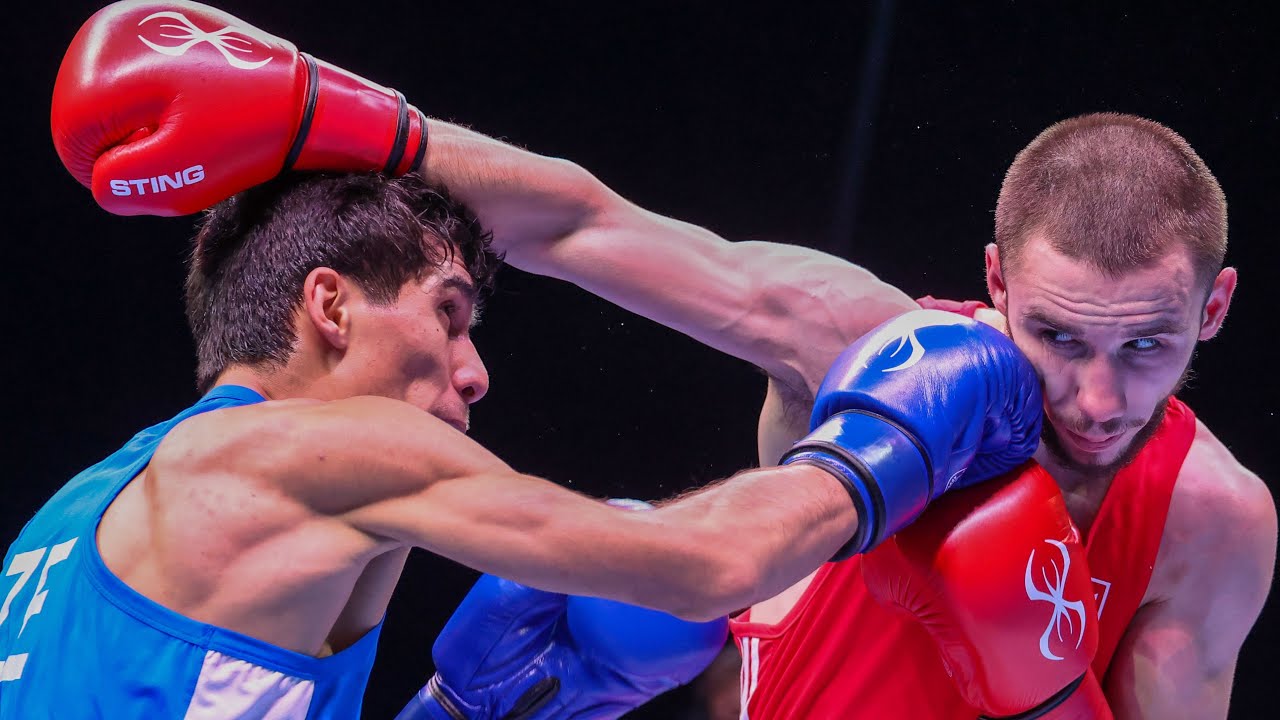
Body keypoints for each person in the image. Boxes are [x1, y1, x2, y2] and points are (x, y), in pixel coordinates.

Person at [3, 2, 1043, 717]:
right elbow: (709, 570)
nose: (473, 370)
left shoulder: (71, 520)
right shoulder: (310, 454)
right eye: (448, 314)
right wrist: (886, 440)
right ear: (329, 306)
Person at [417, 110, 1277, 717]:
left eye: (1143, 347)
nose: (1095, 399)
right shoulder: (855, 340)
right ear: (998, 280)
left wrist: (1045, 696)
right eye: (1056, 334)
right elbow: (574, 223)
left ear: (1214, 307)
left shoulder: (1211, 521)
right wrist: (317, 105)